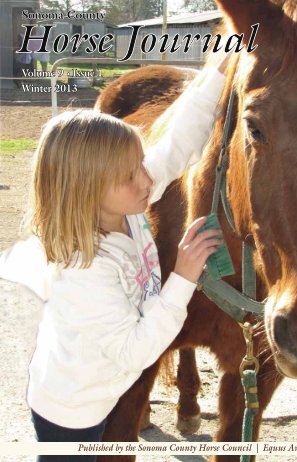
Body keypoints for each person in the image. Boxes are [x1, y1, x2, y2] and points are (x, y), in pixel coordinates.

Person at [0, 58, 228, 460]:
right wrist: (183, 277)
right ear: (87, 189)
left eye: (141, 163)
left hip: (97, 388)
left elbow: (174, 148)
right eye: (130, 174)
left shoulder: (123, 205)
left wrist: (217, 76)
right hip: (73, 414)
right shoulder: (87, 268)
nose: (147, 179)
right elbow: (135, 351)